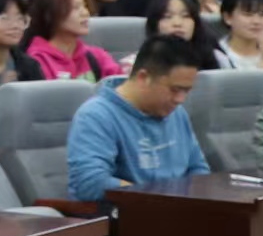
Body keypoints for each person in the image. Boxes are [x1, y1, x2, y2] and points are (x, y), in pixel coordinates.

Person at [64, 39, 209, 206]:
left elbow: (198, 169)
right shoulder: (96, 115)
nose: (180, 99)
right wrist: (155, 197)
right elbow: (90, 184)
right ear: (143, 78)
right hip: (127, 213)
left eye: (186, 91)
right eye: (175, 90)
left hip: (175, 210)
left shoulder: (176, 113)